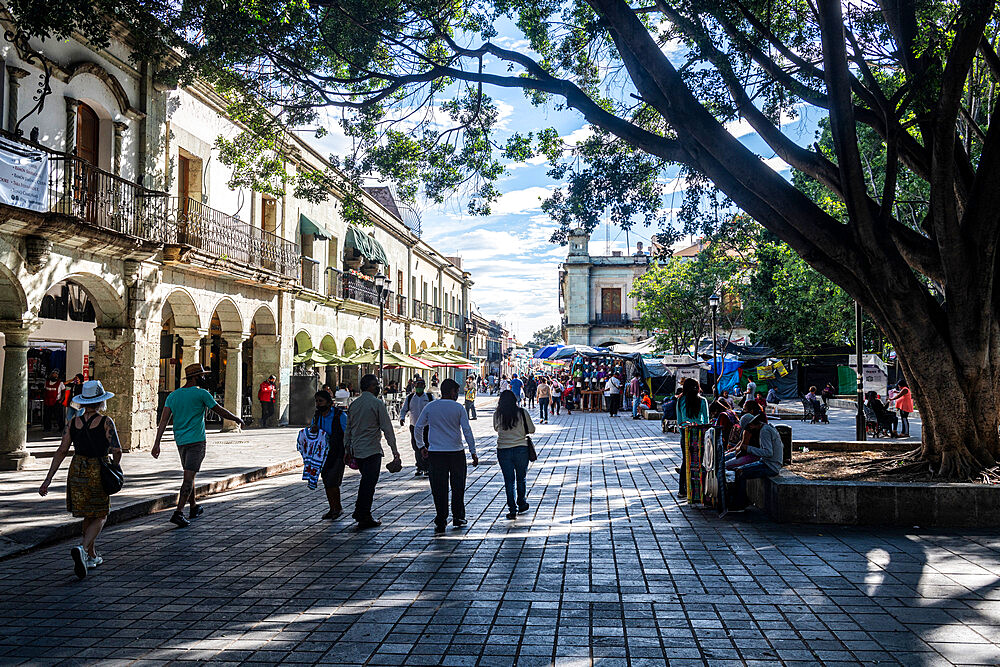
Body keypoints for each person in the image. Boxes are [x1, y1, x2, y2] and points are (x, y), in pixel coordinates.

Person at [38, 380, 122, 579]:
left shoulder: (71, 423)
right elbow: (116, 450)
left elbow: (61, 451)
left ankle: (91, 556)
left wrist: (47, 479)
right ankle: (84, 549)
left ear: (83, 402)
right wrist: (114, 465)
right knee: (101, 513)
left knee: (87, 514)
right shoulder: (106, 422)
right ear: (100, 401)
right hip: (98, 469)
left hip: (77, 470)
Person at [152, 363, 244, 528]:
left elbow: (164, 420)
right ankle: (178, 512)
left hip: (180, 441)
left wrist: (156, 443)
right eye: (202, 375)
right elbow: (219, 410)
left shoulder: (173, 396)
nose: (204, 377)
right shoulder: (202, 394)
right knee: (188, 478)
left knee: (190, 474)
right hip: (196, 441)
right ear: (195, 377)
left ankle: (193, 507)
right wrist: (236, 418)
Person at [414, 378, 478, 533]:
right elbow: (467, 430)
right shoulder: (458, 408)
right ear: (452, 391)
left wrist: (421, 446)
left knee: (438, 487)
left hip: (436, 453)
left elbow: (418, 427)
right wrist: (473, 451)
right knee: (458, 486)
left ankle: (441, 519)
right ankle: (458, 517)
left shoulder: (431, 406)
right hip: (456, 452)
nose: (457, 395)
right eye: (456, 391)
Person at [344, 374, 402, 530]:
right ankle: (363, 514)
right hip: (372, 450)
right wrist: (395, 451)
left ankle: (361, 512)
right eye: (376, 384)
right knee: (368, 484)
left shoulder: (354, 405)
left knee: (366, 481)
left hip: (358, 450)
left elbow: (348, 429)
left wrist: (347, 448)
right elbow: (387, 429)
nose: (378, 387)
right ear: (370, 386)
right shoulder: (377, 404)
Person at [726, 413, 783, 509]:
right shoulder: (766, 428)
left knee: (740, 472)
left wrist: (748, 448)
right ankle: (742, 499)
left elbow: (768, 452)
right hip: (767, 462)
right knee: (738, 470)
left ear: (751, 425)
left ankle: (740, 503)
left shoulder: (765, 431)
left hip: (771, 466)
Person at [493, 390, 534, 520]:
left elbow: (495, 428)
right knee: (521, 478)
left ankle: (512, 509)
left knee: (509, 481)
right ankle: (521, 503)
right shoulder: (522, 412)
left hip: (503, 449)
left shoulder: (498, 414)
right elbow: (532, 429)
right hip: (521, 448)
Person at [310, 389, 349, 519]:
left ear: (328, 402)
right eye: (316, 401)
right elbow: (311, 433)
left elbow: (348, 433)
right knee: (327, 480)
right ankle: (332, 508)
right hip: (322, 455)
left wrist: (348, 451)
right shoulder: (317, 416)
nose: (318, 404)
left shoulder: (339, 416)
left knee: (333, 481)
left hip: (337, 453)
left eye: (320, 401)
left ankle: (338, 508)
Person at [400, 378, 433, 476]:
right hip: (414, 426)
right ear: (415, 386)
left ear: (424, 386)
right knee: (416, 446)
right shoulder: (410, 398)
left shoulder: (429, 397)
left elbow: (434, 409)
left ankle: (427, 467)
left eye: (421, 385)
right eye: (417, 385)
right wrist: (402, 418)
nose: (419, 387)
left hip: (426, 426)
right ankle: (419, 466)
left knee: (426, 445)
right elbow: (404, 410)